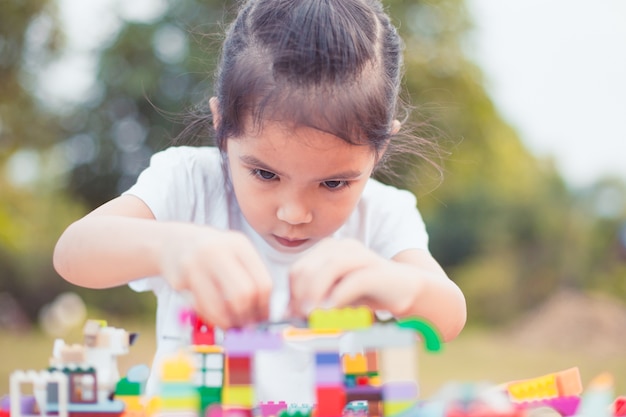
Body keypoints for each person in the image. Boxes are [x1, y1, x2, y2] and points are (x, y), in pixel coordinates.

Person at [53, 0, 466, 403]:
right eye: (266, 174)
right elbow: (73, 251)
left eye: (334, 183)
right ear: (221, 127)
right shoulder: (189, 183)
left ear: (379, 150)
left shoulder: (382, 216)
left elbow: (448, 317)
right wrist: (171, 246)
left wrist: (399, 286)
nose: (294, 213)